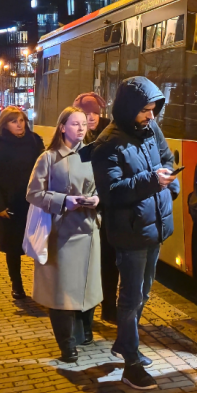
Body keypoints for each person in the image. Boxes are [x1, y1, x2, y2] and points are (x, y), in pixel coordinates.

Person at [91, 77, 180, 391]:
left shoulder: (151, 130)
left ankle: (125, 345)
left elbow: (167, 160)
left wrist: (170, 188)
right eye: (145, 110)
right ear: (129, 109)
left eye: (153, 110)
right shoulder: (107, 143)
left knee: (143, 293)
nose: (151, 116)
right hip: (129, 232)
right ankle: (131, 362)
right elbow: (112, 191)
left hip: (154, 227)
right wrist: (154, 181)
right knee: (130, 298)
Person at [26, 107, 102, 363]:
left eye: (84, 124)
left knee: (88, 287)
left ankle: (85, 334)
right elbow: (33, 193)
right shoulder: (48, 158)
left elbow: (103, 186)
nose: (81, 128)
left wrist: (97, 200)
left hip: (89, 230)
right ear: (62, 127)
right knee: (61, 292)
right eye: (75, 124)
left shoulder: (92, 155)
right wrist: (63, 201)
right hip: (61, 233)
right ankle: (67, 345)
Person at [0, 106, 45, 300]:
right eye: (13, 121)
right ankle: (17, 285)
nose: (19, 125)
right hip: (10, 206)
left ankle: (43, 287)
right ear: (4, 124)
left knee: (41, 246)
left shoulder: (35, 142)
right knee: (13, 248)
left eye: (21, 120)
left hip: (34, 203)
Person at [75, 91, 118, 323]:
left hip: (107, 207)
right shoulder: (73, 136)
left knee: (109, 260)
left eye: (95, 112)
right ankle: (85, 310)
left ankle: (109, 306)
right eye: (86, 113)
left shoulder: (110, 133)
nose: (91, 117)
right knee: (86, 262)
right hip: (82, 210)